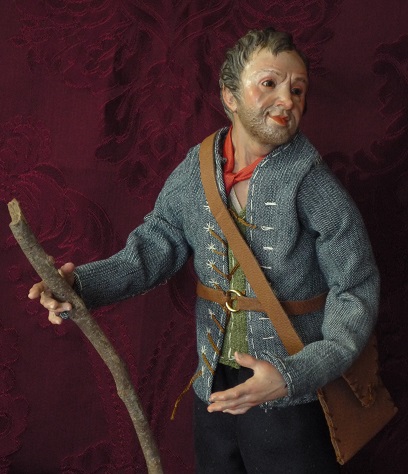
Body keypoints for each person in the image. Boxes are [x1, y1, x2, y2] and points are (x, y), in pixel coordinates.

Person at [29, 27, 379, 473]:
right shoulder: (196, 170)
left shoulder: (312, 185)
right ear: (230, 96)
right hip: (213, 388)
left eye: (297, 89)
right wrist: (79, 286)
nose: (287, 100)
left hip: (290, 399)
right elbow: (153, 247)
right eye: (269, 83)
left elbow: (355, 288)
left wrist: (296, 375)